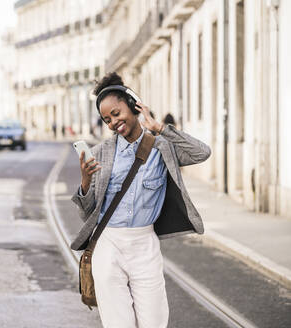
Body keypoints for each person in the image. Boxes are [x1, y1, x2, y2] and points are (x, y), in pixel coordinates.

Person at [71, 72, 211, 328]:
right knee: (118, 323)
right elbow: (86, 213)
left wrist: (159, 127)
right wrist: (85, 182)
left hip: (144, 244)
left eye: (116, 113)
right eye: (107, 119)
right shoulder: (100, 153)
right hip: (108, 243)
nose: (113, 122)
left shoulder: (161, 147)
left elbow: (201, 153)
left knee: (154, 321)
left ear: (133, 105)